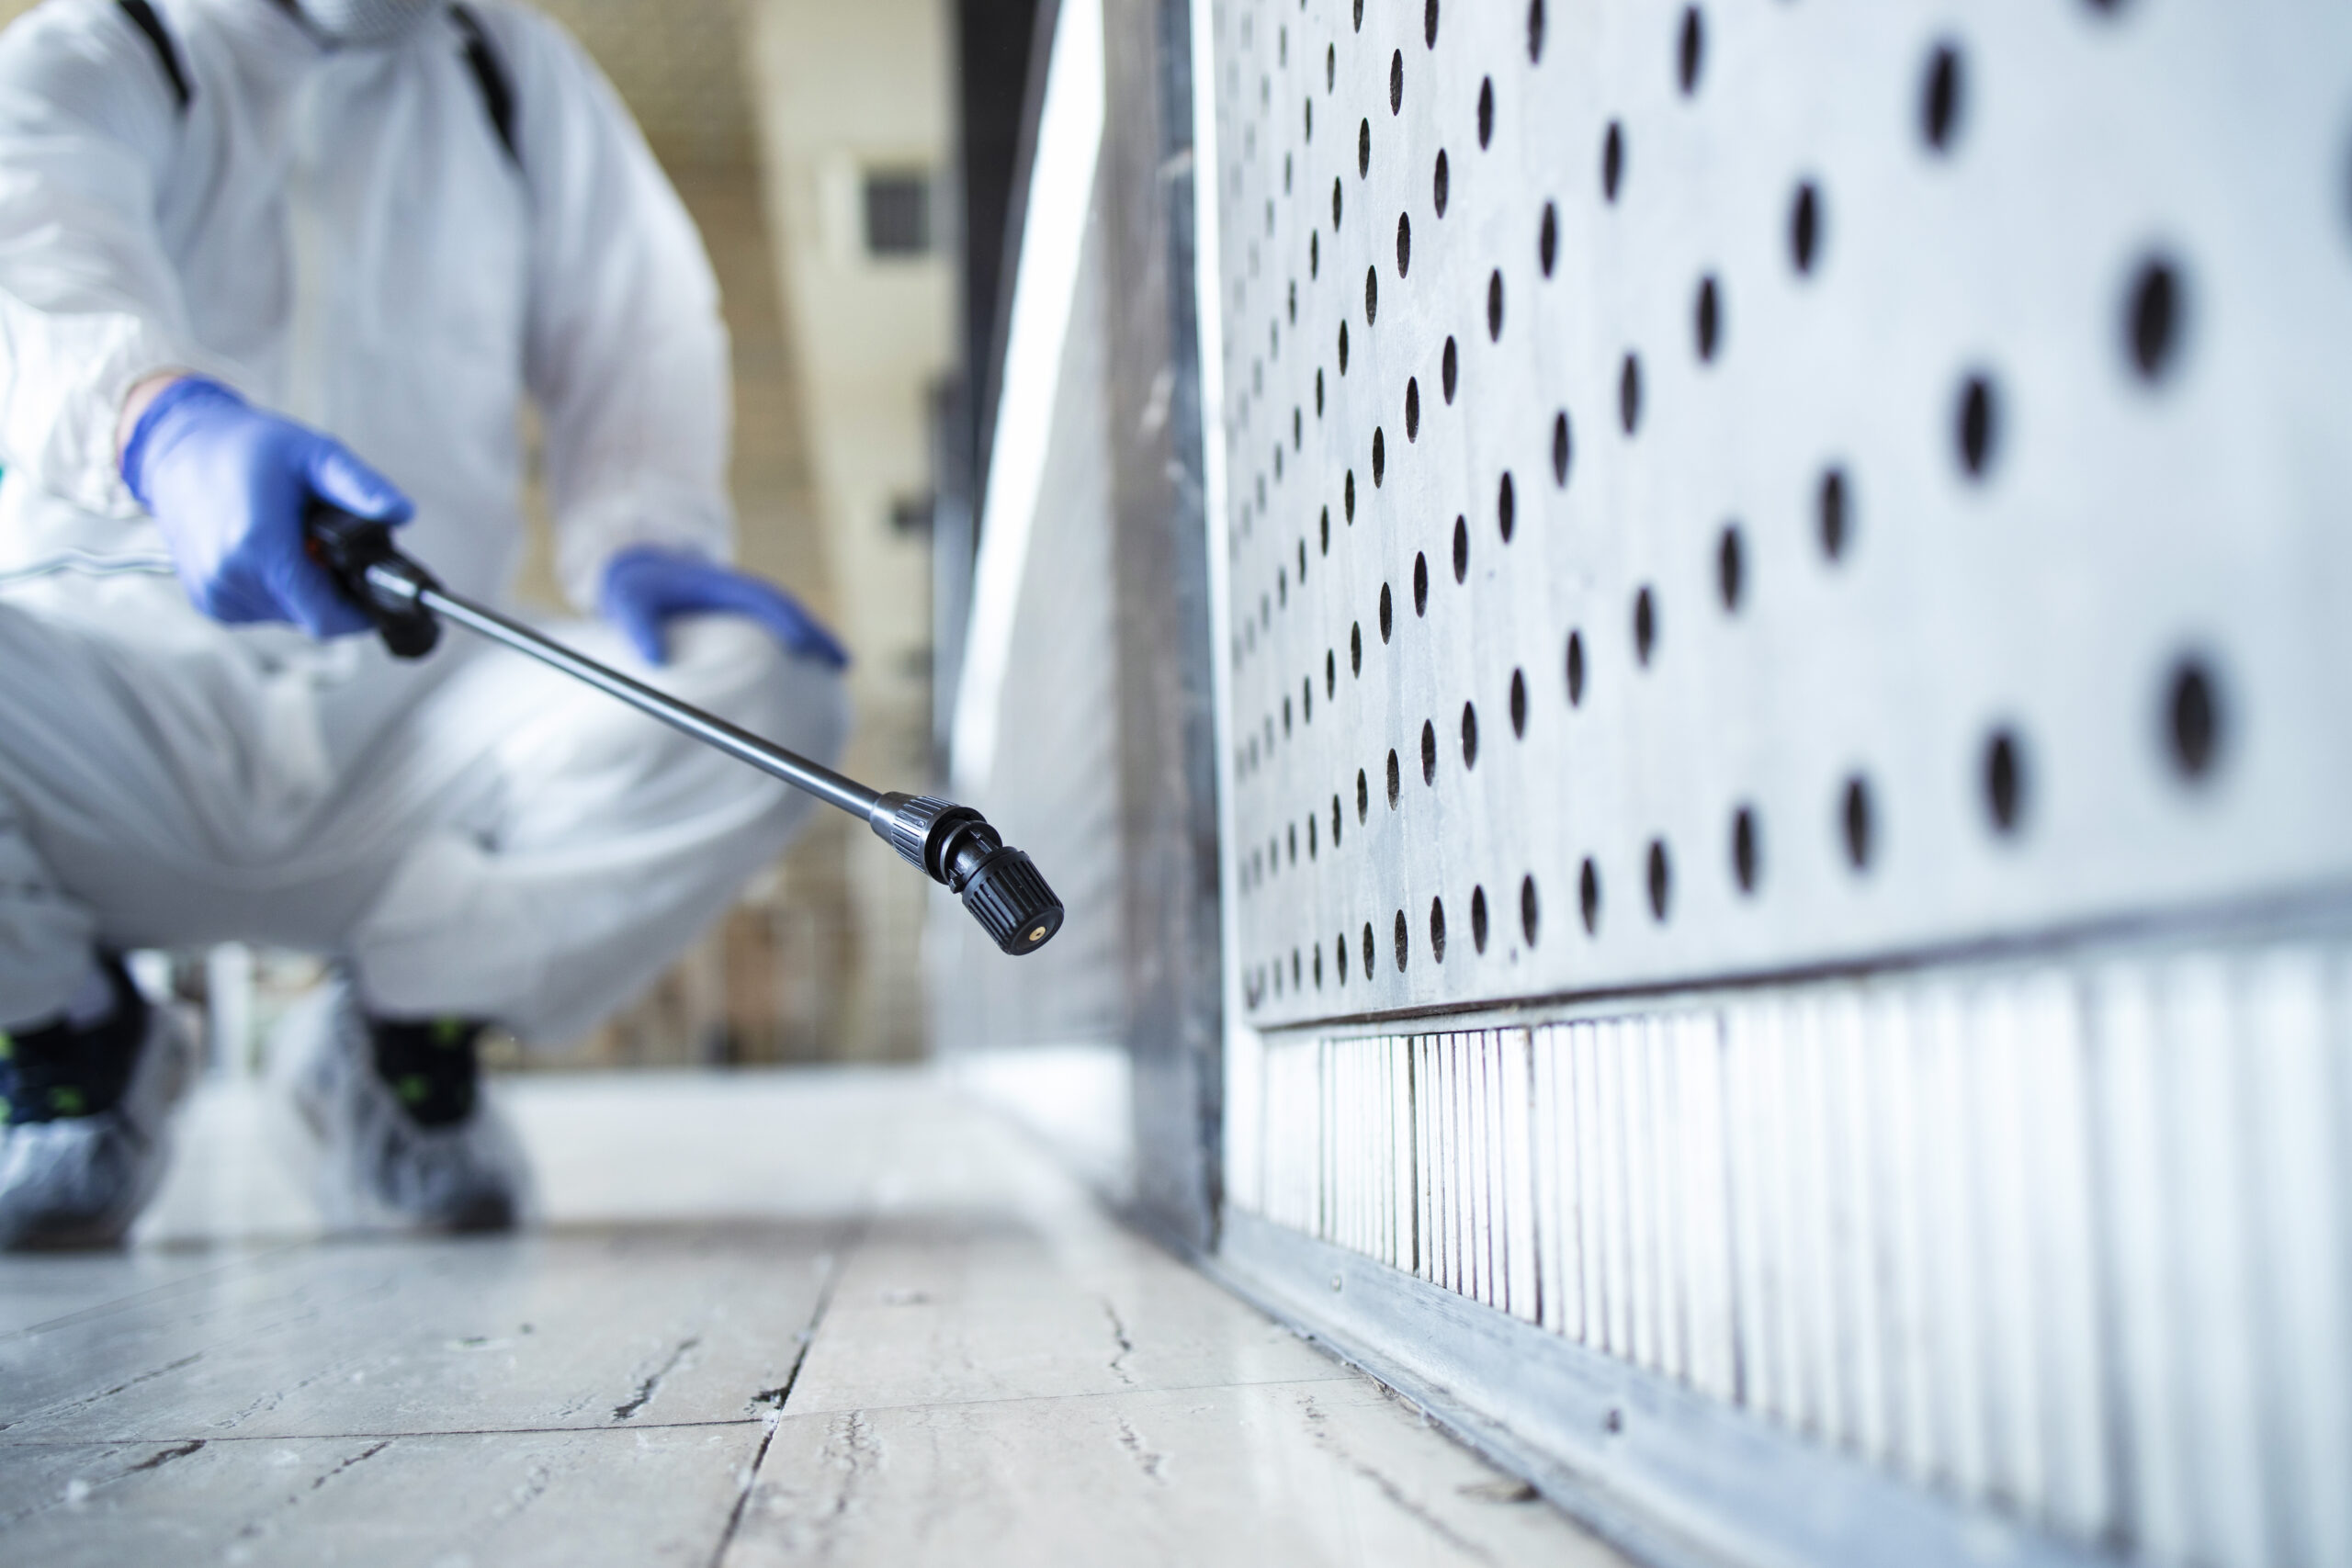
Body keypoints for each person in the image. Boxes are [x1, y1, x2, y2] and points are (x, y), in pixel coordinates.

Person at [0, 0, 850, 1247]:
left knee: (761, 691)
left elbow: (638, 315)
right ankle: (68, 1036)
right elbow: (31, 242)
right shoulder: (107, 45)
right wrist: (157, 422)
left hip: (419, 708)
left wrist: (644, 530)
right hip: (109, 709)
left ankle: (403, 1040)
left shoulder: (513, 80)